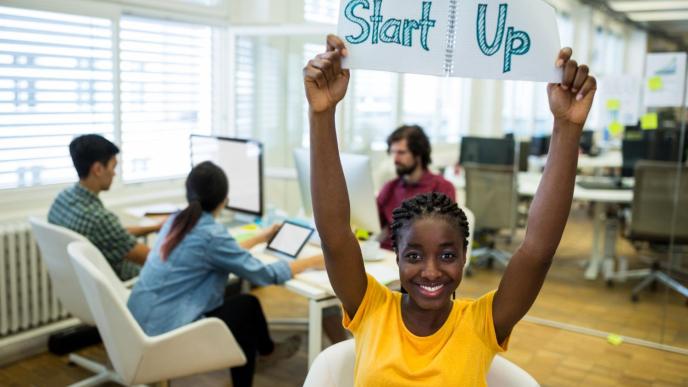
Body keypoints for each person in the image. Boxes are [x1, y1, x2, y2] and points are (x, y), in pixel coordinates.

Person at [303, 35, 596, 385]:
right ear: (395, 256)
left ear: (464, 256)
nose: (430, 272)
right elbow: (335, 235)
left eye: (446, 255)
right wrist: (322, 113)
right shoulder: (372, 309)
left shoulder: (481, 323)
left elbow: (537, 251)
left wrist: (567, 127)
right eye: (413, 256)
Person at [127, 161, 324, 387]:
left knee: (243, 309)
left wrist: (261, 237)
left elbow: (220, 252)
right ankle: (266, 353)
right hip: (167, 330)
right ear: (224, 199)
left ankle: (267, 351)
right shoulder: (211, 234)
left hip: (138, 321)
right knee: (247, 308)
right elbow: (264, 275)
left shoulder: (176, 221)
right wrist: (311, 261)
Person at [48, 134, 161, 281]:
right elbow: (154, 260)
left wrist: (155, 226)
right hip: (125, 284)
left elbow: (114, 235)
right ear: (98, 169)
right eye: (113, 166)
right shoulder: (99, 219)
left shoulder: (63, 199)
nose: (114, 173)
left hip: (83, 282)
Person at [377, 124, 456, 249]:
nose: (395, 159)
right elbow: (372, 227)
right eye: (393, 152)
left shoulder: (442, 187)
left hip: (420, 257)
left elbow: (443, 236)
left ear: (418, 154)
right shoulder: (390, 187)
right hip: (387, 255)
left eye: (401, 153)